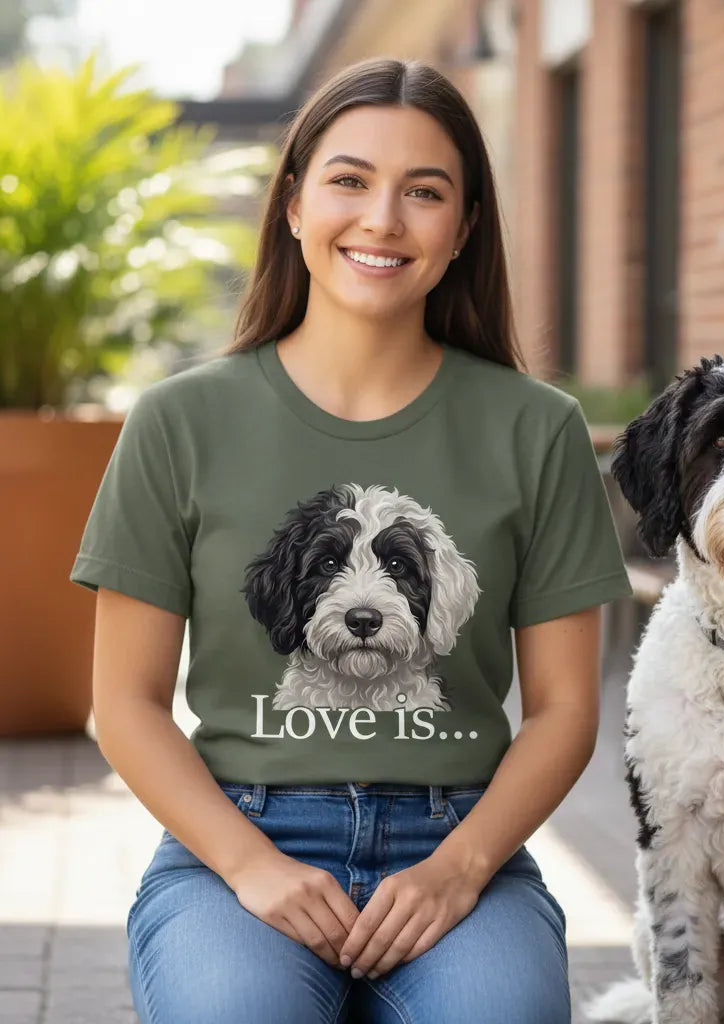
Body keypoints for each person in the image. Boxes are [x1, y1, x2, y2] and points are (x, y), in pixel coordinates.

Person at [70, 56, 632, 1023]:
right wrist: (253, 867)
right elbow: (123, 705)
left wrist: (458, 873)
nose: (382, 220)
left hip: (460, 842)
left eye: (425, 192)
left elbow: (563, 711)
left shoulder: (536, 429)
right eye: (349, 180)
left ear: (462, 230)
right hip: (239, 841)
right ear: (292, 205)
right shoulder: (178, 422)